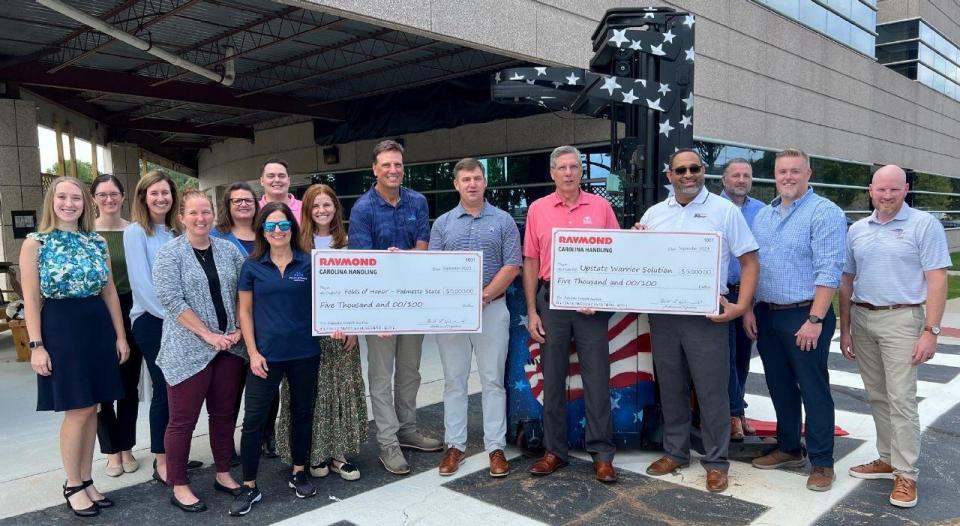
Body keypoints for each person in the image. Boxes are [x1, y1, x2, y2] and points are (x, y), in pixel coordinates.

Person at [636, 149, 759, 493]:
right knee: (671, 386)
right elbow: (639, 260)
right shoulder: (655, 214)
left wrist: (740, 305)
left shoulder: (725, 211)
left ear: (704, 171)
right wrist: (636, 241)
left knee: (712, 390)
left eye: (694, 168)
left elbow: (750, 262)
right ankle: (675, 452)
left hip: (707, 315)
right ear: (669, 175)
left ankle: (717, 461)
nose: (688, 174)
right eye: (681, 170)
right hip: (664, 315)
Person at [839, 165, 949, 508]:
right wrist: (845, 329)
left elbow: (937, 280)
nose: (887, 195)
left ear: (906, 190)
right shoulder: (856, 229)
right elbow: (846, 280)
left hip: (902, 318)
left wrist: (931, 331)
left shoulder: (924, 225)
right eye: (881, 189)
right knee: (877, 396)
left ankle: (906, 474)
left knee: (901, 398)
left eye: (894, 189)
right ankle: (886, 457)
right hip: (863, 316)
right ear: (870, 189)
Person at [20, 176, 129, 517]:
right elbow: (32, 297)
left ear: (86, 203)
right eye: (62, 197)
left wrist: (120, 335)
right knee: (77, 408)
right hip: (61, 328)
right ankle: (71, 483)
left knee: (94, 406)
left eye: (77, 198)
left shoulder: (95, 241)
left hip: (96, 325)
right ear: (52, 201)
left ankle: (86, 479)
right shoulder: (35, 243)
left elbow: (110, 291)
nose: (69, 204)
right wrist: (36, 345)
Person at [747, 148, 847, 491]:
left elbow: (829, 270)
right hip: (767, 312)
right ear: (774, 175)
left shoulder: (825, 213)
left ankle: (822, 462)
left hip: (806, 314)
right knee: (779, 385)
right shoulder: (765, 215)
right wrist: (749, 307)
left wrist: (816, 319)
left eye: (795, 171)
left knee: (813, 388)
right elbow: (755, 267)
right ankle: (789, 447)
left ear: (808, 173)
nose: (787, 177)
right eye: (781, 172)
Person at [523, 145, 619, 482]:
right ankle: (554, 451)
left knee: (596, 378)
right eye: (562, 167)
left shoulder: (602, 207)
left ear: (581, 171)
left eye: (574, 167)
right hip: (553, 303)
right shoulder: (537, 209)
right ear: (552, 173)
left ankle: (602, 454)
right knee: (552, 378)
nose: (568, 172)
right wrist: (533, 309)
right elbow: (531, 261)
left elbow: (616, 254)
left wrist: (601, 293)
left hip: (591, 307)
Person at [348, 139, 441, 475]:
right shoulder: (362, 209)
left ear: (404, 167)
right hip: (380, 305)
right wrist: (377, 311)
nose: (392, 170)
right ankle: (387, 441)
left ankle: (407, 429)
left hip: (412, 301)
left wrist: (404, 258)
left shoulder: (417, 201)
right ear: (375, 168)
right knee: (380, 375)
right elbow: (364, 262)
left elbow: (422, 246)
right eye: (386, 165)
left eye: (397, 165)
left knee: (410, 371)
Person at [153, 190, 248, 512]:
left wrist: (237, 328)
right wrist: (208, 335)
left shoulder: (228, 250)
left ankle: (223, 472)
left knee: (223, 416)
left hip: (230, 348)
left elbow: (244, 289)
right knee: (182, 421)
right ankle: (179, 484)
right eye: (193, 213)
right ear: (181, 217)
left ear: (213, 215)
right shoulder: (170, 254)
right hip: (187, 349)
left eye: (206, 211)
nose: (200, 218)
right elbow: (172, 300)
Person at [430, 159, 521, 478]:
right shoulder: (442, 224)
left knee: (492, 381)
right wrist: (461, 302)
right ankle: (455, 446)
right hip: (452, 314)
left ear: (485, 182)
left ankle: (495, 447)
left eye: (477, 178)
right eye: (466, 179)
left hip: (492, 308)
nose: (472, 184)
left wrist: (481, 296)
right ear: (456, 184)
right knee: (454, 381)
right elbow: (434, 269)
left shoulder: (504, 220)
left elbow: (512, 265)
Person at [231, 203, 321, 516]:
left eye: (283, 225)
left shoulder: (309, 263)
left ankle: (299, 471)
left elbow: (329, 301)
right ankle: (249, 485)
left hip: (304, 353)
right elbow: (244, 312)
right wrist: (253, 353)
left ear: (293, 229)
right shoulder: (252, 266)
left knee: (301, 414)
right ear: (262, 231)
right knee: (254, 421)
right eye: (271, 226)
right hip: (264, 357)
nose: (278, 231)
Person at [276, 184, 367, 482]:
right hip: (306, 332)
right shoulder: (297, 245)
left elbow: (358, 289)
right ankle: (314, 452)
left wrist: (354, 325)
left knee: (339, 391)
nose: (322, 210)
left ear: (335, 209)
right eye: (316, 206)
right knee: (309, 393)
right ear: (307, 210)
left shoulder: (348, 243)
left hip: (342, 333)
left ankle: (338, 454)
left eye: (327, 205)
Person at [124, 171, 201, 483]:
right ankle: (162, 460)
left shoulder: (176, 231)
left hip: (181, 320)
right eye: (154, 193)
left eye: (166, 193)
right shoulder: (135, 232)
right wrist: (180, 318)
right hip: (152, 320)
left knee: (181, 390)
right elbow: (142, 284)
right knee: (165, 388)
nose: (160, 198)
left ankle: (176, 452)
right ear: (143, 197)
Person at [211, 181, 273, 463]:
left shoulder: (266, 234)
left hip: (267, 319)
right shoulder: (216, 236)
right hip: (230, 326)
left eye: (247, 200)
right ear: (227, 206)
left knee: (267, 381)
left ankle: (266, 436)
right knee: (231, 389)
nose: (243, 204)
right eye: (236, 201)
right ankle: (226, 447)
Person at [90, 175, 142, 477]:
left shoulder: (134, 232)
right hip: (97, 312)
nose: (108, 199)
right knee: (102, 386)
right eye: (102, 194)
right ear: (94, 198)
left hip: (131, 307)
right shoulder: (87, 234)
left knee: (128, 384)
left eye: (114, 194)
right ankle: (110, 450)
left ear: (123, 197)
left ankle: (127, 447)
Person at [719, 159, 766, 440]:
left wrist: (749, 303)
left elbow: (761, 259)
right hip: (720, 294)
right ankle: (733, 412)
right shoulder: (712, 208)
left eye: (746, 175)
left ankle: (738, 411)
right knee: (724, 355)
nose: (741, 180)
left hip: (746, 294)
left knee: (741, 357)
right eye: (735, 175)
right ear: (724, 180)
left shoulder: (763, 212)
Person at [259, 158, 302, 223]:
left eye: (281, 176)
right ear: (262, 181)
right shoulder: (253, 210)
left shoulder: (305, 208)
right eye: (271, 176)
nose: (277, 180)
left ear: (289, 180)